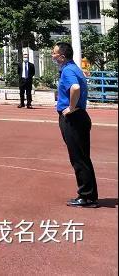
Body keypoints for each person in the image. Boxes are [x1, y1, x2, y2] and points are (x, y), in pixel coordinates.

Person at [52, 42, 98, 207]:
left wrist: (71, 107)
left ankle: (86, 196)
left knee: (78, 158)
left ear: (62, 57)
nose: (52, 56)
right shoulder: (73, 68)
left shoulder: (68, 70)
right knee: (82, 157)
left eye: (54, 53)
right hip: (79, 117)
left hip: (73, 119)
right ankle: (89, 195)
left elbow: (75, 87)